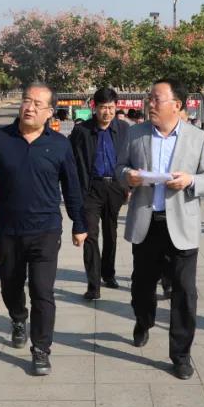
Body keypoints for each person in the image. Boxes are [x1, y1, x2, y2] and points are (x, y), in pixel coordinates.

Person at [0, 83, 87, 376]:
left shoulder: (59, 144)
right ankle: (18, 317)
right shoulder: (0, 139)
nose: (29, 107)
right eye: (26, 101)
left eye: (37, 103)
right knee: (9, 282)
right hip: (9, 228)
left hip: (46, 229)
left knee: (42, 291)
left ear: (49, 112)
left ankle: (41, 349)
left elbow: (71, 187)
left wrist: (79, 223)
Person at [118, 78, 204, 380]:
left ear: (177, 104)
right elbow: (119, 168)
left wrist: (190, 181)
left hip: (182, 226)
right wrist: (129, 176)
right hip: (146, 223)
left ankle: (181, 354)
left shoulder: (199, 138)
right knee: (141, 286)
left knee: (185, 292)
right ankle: (143, 320)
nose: (150, 103)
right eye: (149, 98)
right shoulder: (135, 133)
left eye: (156, 99)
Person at [70, 88, 131, 300]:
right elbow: (72, 162)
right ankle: (93, 285)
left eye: (111, 108)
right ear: (94, 107)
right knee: (90, 235)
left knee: (111, 232)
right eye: (103, 107)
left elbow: (132, 158)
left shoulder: (124, 129)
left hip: (115, 187)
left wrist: (128, 187)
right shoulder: (81, 131)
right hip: (91, 189)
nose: (107, 112)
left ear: (116, 107)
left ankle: (108, 274)